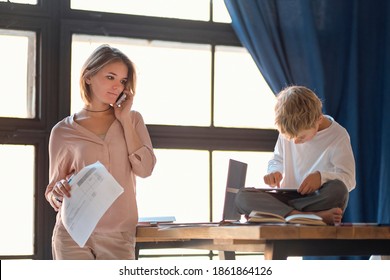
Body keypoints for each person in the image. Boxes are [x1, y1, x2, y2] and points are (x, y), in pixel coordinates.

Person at [45, 44, 156, 259]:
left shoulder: (133, 120)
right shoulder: (63, 131)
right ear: (88, 77)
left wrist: (124, 120)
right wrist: (57, 190)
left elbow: (145, 169)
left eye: (123, 81)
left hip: (118, 234)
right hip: (72, 235)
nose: (117, 86)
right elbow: (52, 190)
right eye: (110, 77)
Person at [235, 85, 356, 225]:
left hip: (315, 198)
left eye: (302, 137)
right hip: (288, 197)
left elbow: (349, 179)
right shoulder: (290, 132)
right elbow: (277, 159)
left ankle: (280, 214)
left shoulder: (338, 135)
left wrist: (321, 177)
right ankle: (307, 216)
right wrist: (274, 171)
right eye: (290, 138)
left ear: (318, 119)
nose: (296, 142)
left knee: (338, 190)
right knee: (241, 196)